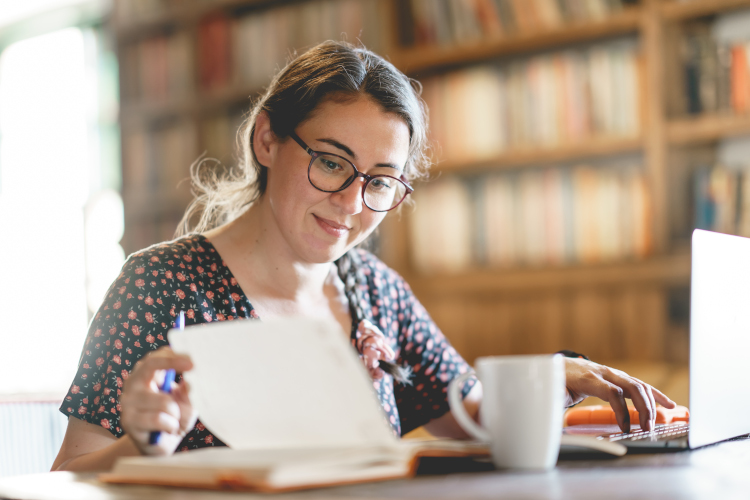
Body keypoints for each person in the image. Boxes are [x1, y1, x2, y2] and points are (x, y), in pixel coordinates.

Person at [52, 40, 675, 472]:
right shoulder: (160, 285)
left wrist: (550, 378)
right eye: (330, 162)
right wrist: (141, 444)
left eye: (380, 180)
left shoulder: (374, 289)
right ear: (267, 139)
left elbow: (468, 413)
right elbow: (63, 479)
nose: (352, 202)